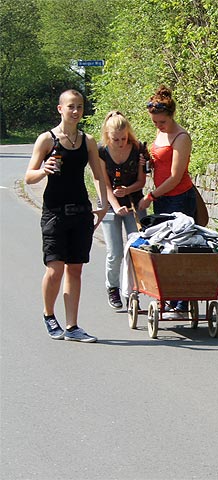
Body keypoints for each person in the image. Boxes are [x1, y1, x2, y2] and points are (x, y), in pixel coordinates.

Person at [25, 89, 108, 342]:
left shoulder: (88, 141)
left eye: (80, 107)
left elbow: (97, 174)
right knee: (55, 268)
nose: (76, 111)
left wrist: (103, 203)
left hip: (81, 211)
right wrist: (43, 170)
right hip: (54, 212)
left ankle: (72, 327)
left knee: (75, 269)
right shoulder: (47, 140)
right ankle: (49, 316)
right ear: (60, 109)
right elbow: (28, 177)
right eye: (71, 106)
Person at [137, 85, 196, 315]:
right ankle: (168, 296)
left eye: (162, 122)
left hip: (179, 198)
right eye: (155, 123)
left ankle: (181, 302)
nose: (159, 126)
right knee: (163, 248)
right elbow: (160, 164)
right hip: (162, 197)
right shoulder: (161, 132)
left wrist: (150, 196)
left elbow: (175, 176)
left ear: (171, 116)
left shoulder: (181, 137)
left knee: (180, 248)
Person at [98, 111, 148, 310]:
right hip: (111, 205)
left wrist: (128, 190)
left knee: (136, 249)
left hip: (134, 202)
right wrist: (116, 207)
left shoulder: (137, 149)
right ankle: (113, 287)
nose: (120, 143)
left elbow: (141, 181)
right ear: (107, 136)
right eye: (115, 139)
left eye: (123, 138)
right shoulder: (102, 152)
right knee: (116, 252)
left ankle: (132, 291)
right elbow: (105, 185)